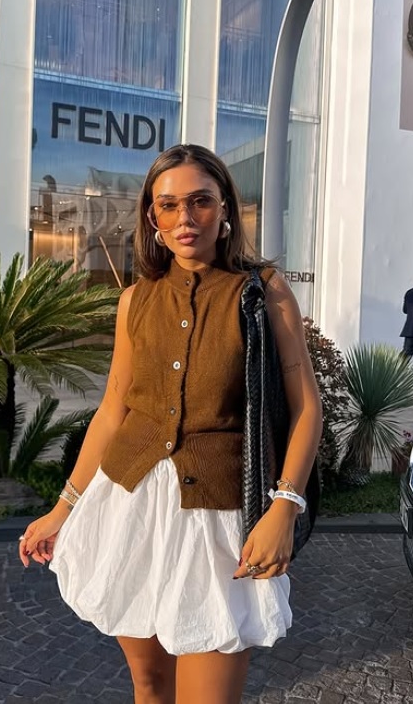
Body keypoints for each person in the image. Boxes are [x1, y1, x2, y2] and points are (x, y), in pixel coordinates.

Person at [19, 144, 323, 704]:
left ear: (225, 208)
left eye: (200, 201)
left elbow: (307, 406)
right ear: (152, 217)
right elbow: (113, 411)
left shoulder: (263, 291)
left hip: (219, 521)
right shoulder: (135, 300)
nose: (186, 217)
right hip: (130, 510)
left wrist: (285, 507)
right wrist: (63, 508)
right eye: (169, 205)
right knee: (150, 684)